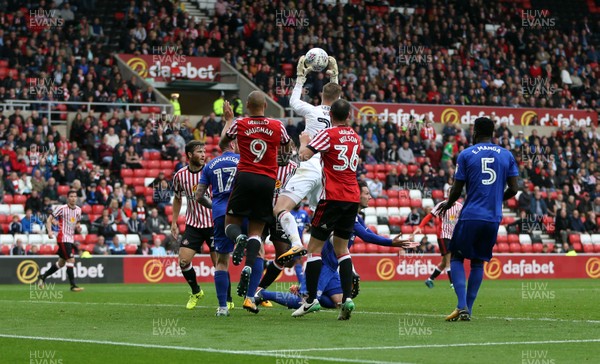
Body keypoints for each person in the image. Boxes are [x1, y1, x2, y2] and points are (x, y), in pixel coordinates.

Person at [256, 181, 414, 309]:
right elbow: (366, 236)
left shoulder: (355, 217)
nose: (370, 197)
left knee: (337, 302)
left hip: (331, 268)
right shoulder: (348, 217)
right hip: (322, 265)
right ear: (357, 195)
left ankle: (303, 291)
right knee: (304, 303)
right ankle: (263, 294)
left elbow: (365, 234)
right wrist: (391, 242)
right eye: (366, 193)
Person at [438, 117, 519, 321]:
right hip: (493, 218)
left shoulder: (466, 154)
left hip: (471, 215)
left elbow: (457, 188)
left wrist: (448, 204)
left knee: (456, 256)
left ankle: (461, 305)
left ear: (474, 133)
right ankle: (469, 309)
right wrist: (497, 198)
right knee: (478, 262)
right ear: (493, 133)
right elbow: (515, 189)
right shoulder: (506, 155)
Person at [217, 92, 291, 305]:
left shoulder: (240, 123)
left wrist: (229, 120)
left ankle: (237, 238)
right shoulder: (278, 125)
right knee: (256, 232)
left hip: (245, 177)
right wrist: (277, 156)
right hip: (267, 181)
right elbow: (288, 147)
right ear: (266, 105)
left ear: (247, 105)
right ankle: (249, 267)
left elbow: (224, 143)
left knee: (231, 223)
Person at [292, 99, 360, 320]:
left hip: (332, 197)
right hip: (352, 198)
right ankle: (347, 298)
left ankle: (310, 300)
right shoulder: (356, 137)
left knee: (313, 248)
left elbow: (304, 156)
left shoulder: (328, 134)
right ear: (348, 115)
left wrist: (303, 141)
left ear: (330, 114)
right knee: (342, 250)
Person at [274, 55, 341, 264]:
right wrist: (335, 77)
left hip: (310, 163)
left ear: (322, 94)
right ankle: (344, 261)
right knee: (320, 218)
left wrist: (301, 77)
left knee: (280, 208)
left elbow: (293, 102)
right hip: (328, 172)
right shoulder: (341, 118)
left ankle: (296, 242)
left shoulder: (313, 111)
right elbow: (337, 99)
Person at [195, 138, 239, 316]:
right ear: (233, 145)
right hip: (241, 211)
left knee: (221, 262)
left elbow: (198, 195)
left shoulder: (209, 165)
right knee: (257, 248)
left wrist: (215, 205)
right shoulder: (243, 161)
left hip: (221, 213)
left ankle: (222, 307)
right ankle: (251, 297)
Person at [171, 140, 214, 310]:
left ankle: (226, 299)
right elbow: (177, 198)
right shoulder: (180, 175)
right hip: (193, 225)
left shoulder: (211, 171)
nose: (203, 155)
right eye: (199, 152)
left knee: (219, 264)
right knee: (183, 261)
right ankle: (196, 291)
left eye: (204, 151)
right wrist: (174, 222)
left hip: (213, 223)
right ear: (189, 155)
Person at [37, 190, 84, 292]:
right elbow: (49, 219)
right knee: (71, 260)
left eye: (75, 196)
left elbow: (77, 223)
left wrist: (78, 227)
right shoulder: (62, 208)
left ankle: (43, 276)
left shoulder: (79, 210)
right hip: (62, 238)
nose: (73, 198)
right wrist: (49, 232)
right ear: (68, 198)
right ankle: (73, 285)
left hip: (70, 239)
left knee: (61, 263)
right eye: (71, 196)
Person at [414, 199, 463, 289]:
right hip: (443, 235)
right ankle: (452, 284)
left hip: (453, 236)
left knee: (444, 262)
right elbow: (429, 216)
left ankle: (430, 279)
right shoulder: (442, 205)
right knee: (448, 261)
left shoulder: (460, 206)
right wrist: (420, 226)